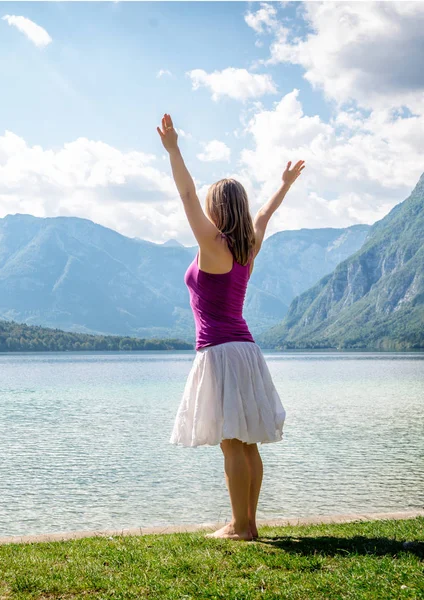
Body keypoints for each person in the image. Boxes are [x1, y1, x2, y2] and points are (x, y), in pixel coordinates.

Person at [157, 113, 305, 541]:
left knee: (231, 443)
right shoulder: (247, 247)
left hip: (220, 351)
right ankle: (248, 523)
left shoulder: (214, 245)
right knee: (247, 442)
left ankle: (241, 526)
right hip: (245, 349)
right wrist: (285, 184)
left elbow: (185, 194)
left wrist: (173, 150)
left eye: (209, 205)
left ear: (217, 209)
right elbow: (265, 212)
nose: (202, 208)